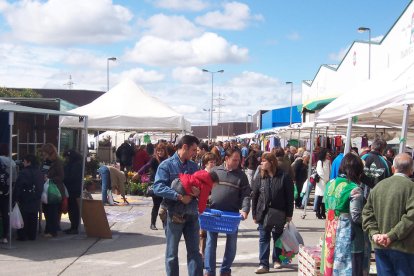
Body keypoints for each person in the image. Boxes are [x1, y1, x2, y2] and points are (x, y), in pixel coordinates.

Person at [153, 135, 201, 276]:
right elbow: (158, 187)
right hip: (174, 214)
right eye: (193, 150)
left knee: (194, 253)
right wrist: (178, 196)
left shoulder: (193, 166)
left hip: (192, 214)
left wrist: (199, 192)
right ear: (184, 147)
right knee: (172, 254)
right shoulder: (166, 165)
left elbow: (200, 186)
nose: (195, 153)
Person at [362, 153, 414, 275]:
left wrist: (375, 234)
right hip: (404, 247)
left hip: (380, 245)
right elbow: (411, 217)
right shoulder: (411, 188)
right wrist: (391, 235)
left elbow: (367, 213)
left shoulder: (378, 187)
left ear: (392, 168)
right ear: (411, 171)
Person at [204, 148, 251, 276]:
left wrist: (245, 209)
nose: (237, 162)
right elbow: (206, 189)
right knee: (210, 241)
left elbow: (246, 195)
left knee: (231, 242)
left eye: (238, 160)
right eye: (234, 160)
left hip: (232, 215)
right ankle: (209, 270)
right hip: (213, 213)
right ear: (226, 159)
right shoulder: (215, 171)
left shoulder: (242, 176)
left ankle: (225, 270)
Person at [321, 153, 368, 276]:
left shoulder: (330, 184)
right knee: (348, 269)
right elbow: (356, 216)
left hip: (330, 232)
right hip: (347, 235)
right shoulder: (354, 188)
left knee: (331, 265)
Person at [252, 153, 294, 274]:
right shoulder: (260, 176)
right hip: (263, 212)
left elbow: (289, 197)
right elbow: (255, 195)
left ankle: (277, 260)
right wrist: (254, 213)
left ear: (271, 162)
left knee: (278, 237)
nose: (261, 164)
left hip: (279, 212)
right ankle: (263, 264)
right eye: (261, 161)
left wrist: (289, 214)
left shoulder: (284, 176)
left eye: (264, 161)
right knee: (264, 238)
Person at [136, 143, 169, 230]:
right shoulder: (154, 159)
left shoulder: (167, 160)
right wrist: (138, 173)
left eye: (161, 151)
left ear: (164, 151)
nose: (160, 152)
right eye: (158, 151)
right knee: (156, 205)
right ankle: (152, 224)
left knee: (164, 206)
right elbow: (146, 166)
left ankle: (164, 224)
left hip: (165, 185)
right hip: (156, 185)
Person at [14, 154, 44, 241]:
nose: (23, 162)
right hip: (36, 197)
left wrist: (16, 197)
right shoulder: (39, 172)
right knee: (34, 216)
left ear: (28, 162)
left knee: (24, 216)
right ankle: (32, 235)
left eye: (24, 161)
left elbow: (19, 186)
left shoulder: (23, 172)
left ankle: (22, 235)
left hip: (25, 196)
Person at [41, 143, 65, 238]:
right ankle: (48, 229)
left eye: (44, 152)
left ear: (48, 152)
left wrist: (50, 179)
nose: (42, 154)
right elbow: (42, 171)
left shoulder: (57, 162)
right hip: (46, 189)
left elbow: (61, 177)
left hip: (54, 190)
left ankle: (52, 231)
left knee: (53, 211)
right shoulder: (46, 162)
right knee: (46, 211)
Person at [63, 149, 83, 234]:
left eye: (67, 157)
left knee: (73, 209)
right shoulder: (73, 164)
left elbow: (72, 177)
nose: (66, 159)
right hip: (72, 188)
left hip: (73, 189)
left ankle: (74, 227)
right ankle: (73, 226)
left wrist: (64, 179)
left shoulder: (75, 165)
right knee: (72, 209)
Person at [0, 144, 17, 244]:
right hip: (6, 191)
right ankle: (5, 236)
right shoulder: (12, 163)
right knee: (5, 213)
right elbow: (14, 179)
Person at [315, 148, 330, 219]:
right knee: (320, 197)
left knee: (325, 198)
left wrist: (329, 179)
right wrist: (325, 179)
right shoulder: (320, 162)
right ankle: (318, 211)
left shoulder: (328, 162)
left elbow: (330, 170)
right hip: (321, 182)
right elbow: (320, 171)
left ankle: (323, 212)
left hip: (327, 182)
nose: (328, 154)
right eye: (327, 153)